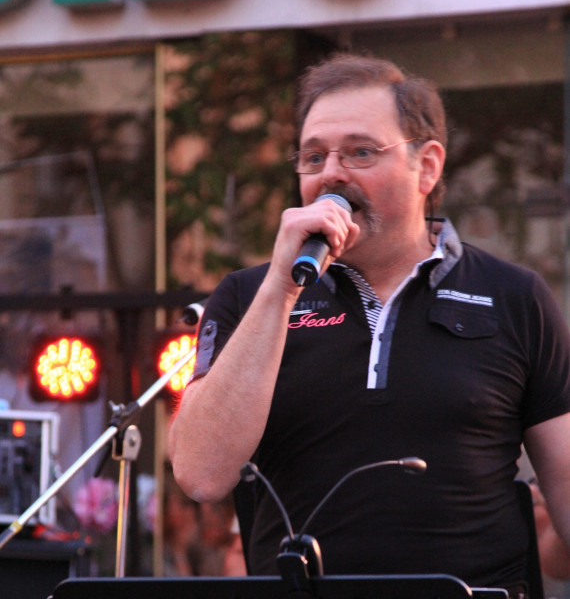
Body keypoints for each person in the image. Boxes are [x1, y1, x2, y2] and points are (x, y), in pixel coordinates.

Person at [168, 52, 570, 594]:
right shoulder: (249, 296)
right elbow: (200, 474)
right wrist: (281, 289)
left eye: (360, 152)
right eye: (314, 157)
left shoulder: (514, 297)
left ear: (427, 166)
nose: (331, 173)